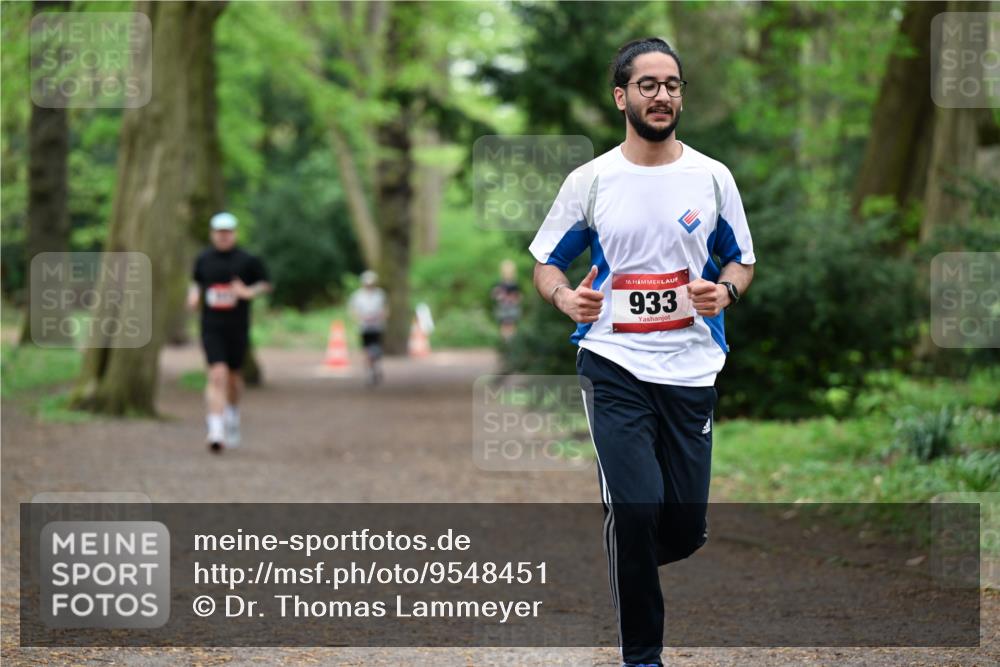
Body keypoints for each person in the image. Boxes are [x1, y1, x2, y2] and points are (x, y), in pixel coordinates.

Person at [528, 37, 755, 667]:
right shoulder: (593, 180)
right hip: (613, 363)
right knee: (633, 509)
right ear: (621, 96)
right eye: (649, 85)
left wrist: (726, 291)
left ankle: (634, 547)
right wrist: (564, 299)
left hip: (692, 366)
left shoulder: (712, 178)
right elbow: (548, 262)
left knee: (680, 528)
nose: (663, 95)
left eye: (673, 85)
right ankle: (643, 657)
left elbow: (742, 260)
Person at [187, 212, 271, 453]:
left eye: (228, 232)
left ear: (234, 233)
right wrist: (193, 296)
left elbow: (266, 283)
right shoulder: (203, 259)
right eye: (219, 232)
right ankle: (215, 430)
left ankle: (232, 416)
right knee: (217, 374)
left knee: (233, 379)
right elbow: (196, 282)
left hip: (237, 328)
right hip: (211, 327)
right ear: (213, 234)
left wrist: (248, 292)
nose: (223, 236)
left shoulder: (248, 260)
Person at [348, 270, 388, 386]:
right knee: (367, 350)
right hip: (364, 327)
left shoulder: (380, 295)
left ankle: (376, 366)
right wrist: (361, 318)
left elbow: (385, 309)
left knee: (377, 349)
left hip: (377, 326)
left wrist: (381, 317)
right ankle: (370, 372)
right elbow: (353, 311)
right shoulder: (357, 296)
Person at [491, 259, 523, 342]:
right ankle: (506, 343)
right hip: (504, 307)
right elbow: (494, 295)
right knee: (505, 325)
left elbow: (519, 297)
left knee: (510, 325)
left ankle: (509, 343)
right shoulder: (499, 284)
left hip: (510, 307)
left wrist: (511, 298)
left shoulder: (515, 284)